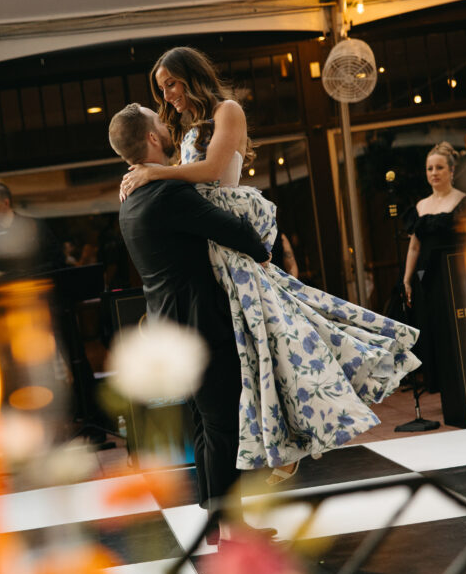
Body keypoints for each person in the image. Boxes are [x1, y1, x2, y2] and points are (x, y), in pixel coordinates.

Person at [120, 46, 421, 482]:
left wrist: (154, 172)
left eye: (171, 83)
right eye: (161, 88)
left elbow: (212, 170)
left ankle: (289, 442)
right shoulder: (188, 126)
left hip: (230, 242)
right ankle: (275, 451)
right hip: (211, 247)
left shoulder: (228, 111)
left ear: (191, 75)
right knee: (254, 354)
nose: (167, 95)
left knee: (280, 342)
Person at [109, 102, 270, 531]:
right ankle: (233, 530)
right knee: (221, 424)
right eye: (158, 121)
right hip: (199, 324)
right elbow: (231, 229)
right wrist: (263, 252)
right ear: (151, 139)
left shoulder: (130, 199)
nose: (166, 122)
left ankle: (219, 524)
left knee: (204, 423)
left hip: (168, 324)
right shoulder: (168, 193)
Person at [403, 141, 466, 393]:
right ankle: (443, 386)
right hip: (427, 276)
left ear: (451, 171)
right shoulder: (420, 206)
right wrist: (407, 280)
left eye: (439, 167)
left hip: (456, 277)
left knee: (457, 330)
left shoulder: (463, 201)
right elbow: (414, 247)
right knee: (433, 327)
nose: (434, 173)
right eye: (429, 168)